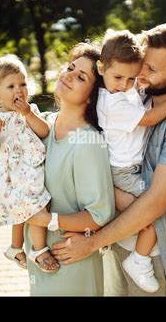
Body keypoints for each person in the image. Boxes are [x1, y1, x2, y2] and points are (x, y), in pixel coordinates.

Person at [51, 21, 166, 297]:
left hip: (152, 254)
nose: (139, 75)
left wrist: (91, 242)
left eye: (150, 69)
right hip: (115, 239)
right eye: (142, 66)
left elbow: (155, 204)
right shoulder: (135, 97)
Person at [95, 29, 166, 292]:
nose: (128, 83)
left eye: (132, 77)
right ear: (101, 68)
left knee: (149, 209)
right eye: (118, 77)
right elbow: (149, 118)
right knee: (152, 213)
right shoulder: (111, 103)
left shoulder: (122, 92)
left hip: (127, 169)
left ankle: (135, 255)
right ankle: (139, 260)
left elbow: (140, 99)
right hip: (123, 172)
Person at [24, 43, 115, 295]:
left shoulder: (88, 142)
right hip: (41, 260)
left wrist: (48, 220)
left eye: (81, 77)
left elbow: (99, 216)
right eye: (71, 68)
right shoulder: (44, 126)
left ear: (91, 96)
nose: (69, 75)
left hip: (71, 263)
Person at [0, 54, 59, 273]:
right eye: (10, 86)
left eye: (22, 84)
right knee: (31, 207)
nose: (18, 90)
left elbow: (44, 131)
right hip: (10, 177)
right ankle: (39, 249)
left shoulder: (30, 111)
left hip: (31, 170)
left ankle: (15, 247)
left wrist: (27, 113)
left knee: (30, 207)